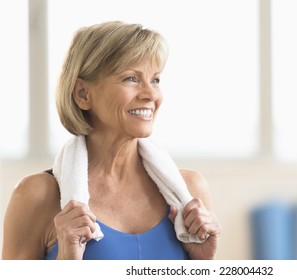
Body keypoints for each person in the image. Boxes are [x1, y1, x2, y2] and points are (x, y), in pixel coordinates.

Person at [2, 21, 221, 260]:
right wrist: (66, 262)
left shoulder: (190, 191)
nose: (150, 94)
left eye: (155, 80)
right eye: (131, 79)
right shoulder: (36, 196)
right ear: (83, 94)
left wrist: (203, 263)